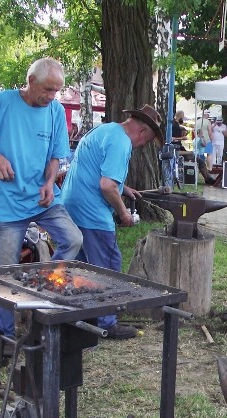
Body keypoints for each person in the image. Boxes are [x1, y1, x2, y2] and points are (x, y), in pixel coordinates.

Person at [0, 57, 83, 352]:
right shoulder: (3, 102)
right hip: (6, 202)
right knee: (5, 270)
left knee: (73, 238)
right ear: (31, 82)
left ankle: (44, 289)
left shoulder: (56, 110)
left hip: (42, 197)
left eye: (56, 91)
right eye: (47, 89)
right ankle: (5, 336)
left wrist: (48, 183)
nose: (51, 96)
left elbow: (56, 155)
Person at [61, 105, 163, 339]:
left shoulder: (105, 130)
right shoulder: (122, 142)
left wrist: (123, 187)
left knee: (82, 263)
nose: (143, 146)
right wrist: (124, 213)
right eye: (147, 141)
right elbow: (106, 186)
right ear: (143, 131)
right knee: (108, 264)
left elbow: (99, 171)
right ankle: (107, 322)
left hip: (72, 204)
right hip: (91, 210)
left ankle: (82, 312)